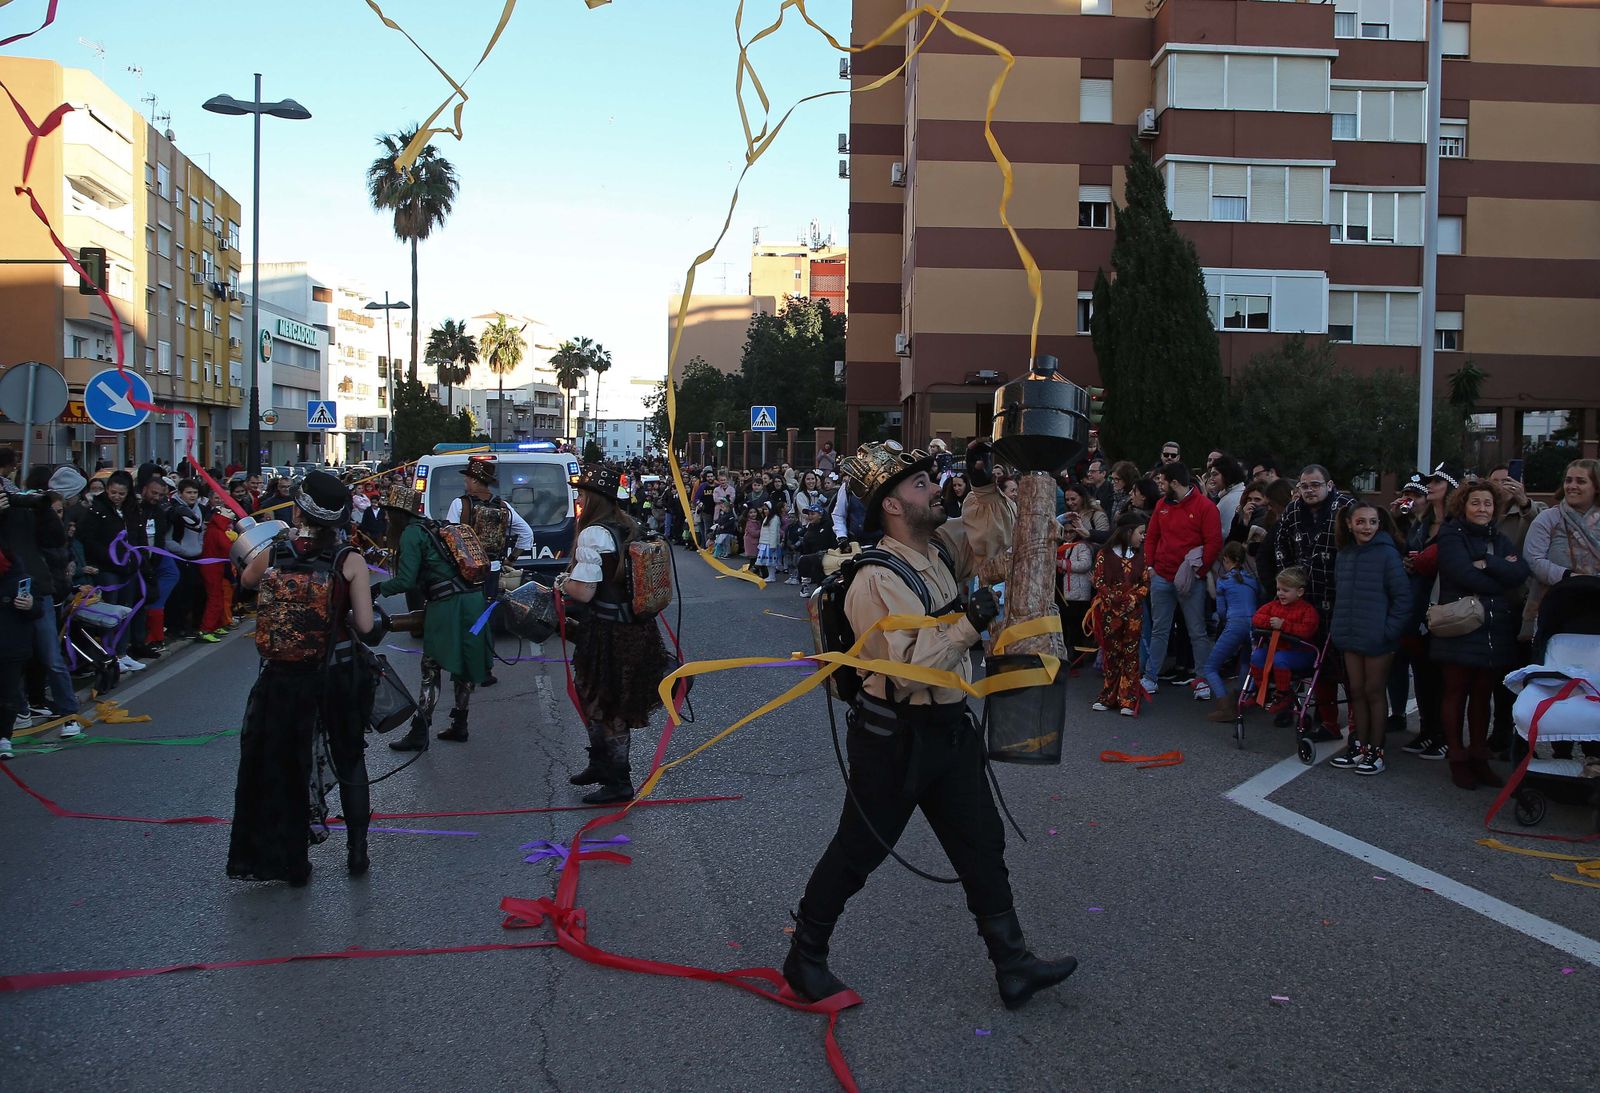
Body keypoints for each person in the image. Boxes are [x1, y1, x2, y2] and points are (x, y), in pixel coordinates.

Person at [781, 441, 1076, 1010]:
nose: (935, 489)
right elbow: (909, 670)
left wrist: (986, 485)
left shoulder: (939, 548)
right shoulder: (875, 578)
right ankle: (805, 958)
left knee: (980, 844)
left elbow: (996, 541)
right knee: (858, 851)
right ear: (892, 506)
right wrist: (970, 621)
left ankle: (1012, 964)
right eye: (921, 485)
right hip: (896, 739)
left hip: (948, 730)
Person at [227, 471, 380, 885]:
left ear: (299, 509)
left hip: (283, 676)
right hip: (335, 673)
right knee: (350, 759)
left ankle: (290, 861)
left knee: (284, 762)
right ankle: (357, 853)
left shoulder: (276, 551)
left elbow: (245, 581)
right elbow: (365, 625)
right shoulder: (349, 559)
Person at [556, 465, 671, 804]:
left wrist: (563, 584)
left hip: (608, 632)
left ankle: (619, 781)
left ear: (592, 498)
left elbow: (585, 592)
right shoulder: (628, 525)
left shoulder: (594, 534)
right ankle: (601, 764)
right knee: (596, 696)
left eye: (581, 493)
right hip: (634, 629)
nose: (578, 498)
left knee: (607, 704)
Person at [1430, 480, 1530, 790]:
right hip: (1460, 626)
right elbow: (1461, 573)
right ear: (1464, 505)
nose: (1482, 509)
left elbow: (1520, 571)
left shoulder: (1498, 538)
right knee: (1456, 692)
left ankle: (1479, 756)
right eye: (1476, 502)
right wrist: (1499, 578)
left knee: (1483, 695)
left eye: (1488, 503)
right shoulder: (1450, 535)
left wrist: (1487, 563)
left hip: (1492, 629)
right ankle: (1457, 758)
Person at [377, 485, 492, 751]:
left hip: (448, 605)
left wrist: (378, 589)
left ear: (397, 513)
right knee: (464, 663)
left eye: (388, 513)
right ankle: (460, 724)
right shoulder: (435, 526)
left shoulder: (410, 534)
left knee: (431, 666)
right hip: (473, 601)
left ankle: (420, 730)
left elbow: (406, 580)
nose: (385, 519)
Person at [1519, 458, 1600, 761]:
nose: (1572, 486)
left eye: (1581, 481)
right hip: (1557, 611)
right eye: (1569, 480)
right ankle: (1560, 749)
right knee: (1557, 680)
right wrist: (1568, 577)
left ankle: (1594, 750)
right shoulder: (1550, 519)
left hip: (1595, 615)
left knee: (1593, 683)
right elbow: (1534, 559)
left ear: (1596, 486)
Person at [1326, 501, 1412, 774]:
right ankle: (1360, 746)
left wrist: (1388, 632)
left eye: (1372, 522)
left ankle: (1376, 750)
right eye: (1360, 522)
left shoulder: (1387, 554)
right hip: (1351, 636)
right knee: (1357, 693)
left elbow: (1402, 599)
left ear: (1380, 524)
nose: (1367, 527)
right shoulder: (1345, 554)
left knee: (1374, 693)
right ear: (1349, 524)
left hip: (1378, 640)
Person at [1272, 464, 1354, 737]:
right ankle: (1329, 722)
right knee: (1320, 665)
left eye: (1315, 485)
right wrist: (1291, 582)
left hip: (1342, 598)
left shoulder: (1347, 507)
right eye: (1304, 486)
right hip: (1307, 600)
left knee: (1350, 668)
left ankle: (1357, 728)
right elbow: (1280, 543)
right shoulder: (1293, 511)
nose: (1309, 490)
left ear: (1329, 485)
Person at [445, 456, 534, 687]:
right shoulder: (503, 507)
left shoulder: (460, 505)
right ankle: (485, 669)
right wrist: (510, 559)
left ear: (475, 480)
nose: (465, 481)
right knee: (483, 619)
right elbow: (527, 534)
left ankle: (465, 670)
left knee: (465, 621)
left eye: (467, 477)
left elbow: (449, 539)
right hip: (492, 571)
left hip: (465, 573)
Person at [1141, 462, 1222, 699]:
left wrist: (1198, 573)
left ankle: (1202, 678)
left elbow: (1214, 543)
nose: (1159, 484)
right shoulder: (1161, 505)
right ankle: (1150, 677)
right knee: (1160, 629)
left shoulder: (1205, 507)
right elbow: (1152, 536)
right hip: (1162, 576)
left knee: (1196, 630)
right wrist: (1150, 566)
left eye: (1162, 481)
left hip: (1190, 580)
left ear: (1174, 482)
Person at [76, 470, 146, 673]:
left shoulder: (132, 510)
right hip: (108, 569)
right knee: (111, 612)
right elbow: (88, 539)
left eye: (121, 494)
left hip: (129, 567)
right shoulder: (97, 510)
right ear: (107, 490)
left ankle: (123, 652)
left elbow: (136, 535)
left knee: (126, 610)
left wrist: (137, 558)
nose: (116, 497)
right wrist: (110, 557)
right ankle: (110, 654)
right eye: (113, 492)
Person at [1092, 511, 1149, 716]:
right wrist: (1114, 599)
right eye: (1141, 533)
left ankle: (1128, 698)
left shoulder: (1142, 555)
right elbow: (1099, 581)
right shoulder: (1104, 555)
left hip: (1133, 613)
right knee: (1111, 652)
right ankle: (1109, 695)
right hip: (1110, 613)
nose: (1143, 537)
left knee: (1131, 654)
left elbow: (1144, 584)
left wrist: (1132, 599)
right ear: (1128, 532)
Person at [1247, 566, 1320, 717]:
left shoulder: (1307, 610)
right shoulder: (1274, 606)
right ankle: (1262, 690)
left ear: (1299, 592)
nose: (1280, 593)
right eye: (1279, 589)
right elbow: (1256, 617)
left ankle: (1283, 694)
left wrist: (1284, 625)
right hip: (1278, 650)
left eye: (1285, 590)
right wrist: (1271, 622)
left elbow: (1307, 630)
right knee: (1257, 655)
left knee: (1280, 658)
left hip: (1301, 653)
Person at [1202, 542, 1261, 722]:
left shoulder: (1224, 581)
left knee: (1210, 667)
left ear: (1227, 560)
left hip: (1234, 624)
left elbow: (1221, 612)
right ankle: (1242, 698)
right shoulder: (1252, 580)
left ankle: (1225, 705)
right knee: (1245, 662)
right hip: (1254, 625)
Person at [0, 544, 41, 761]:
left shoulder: (21, 580)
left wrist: (31, 605)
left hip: (11, 647)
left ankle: (4, 738)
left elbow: (38, 610)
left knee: (8, 694)